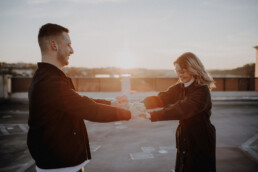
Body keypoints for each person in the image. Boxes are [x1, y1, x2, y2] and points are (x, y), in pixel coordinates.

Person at [27, 23, 131, 172]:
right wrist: (130, 113)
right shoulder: (49, 82)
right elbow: (88, 109)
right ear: (53, 45)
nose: (72, 50)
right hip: (59, 167)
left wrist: (112, 103)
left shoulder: (49, 78)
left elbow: (77, 101)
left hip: (63, 165)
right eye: (68, 45)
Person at [142, 52, 216, 172]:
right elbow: (162, 98)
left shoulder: (202, 91)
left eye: (182, 71)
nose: (180, 75)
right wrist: (141, 105)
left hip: (200, 139)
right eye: (177, 72)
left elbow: (182, 109)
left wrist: (152, 114)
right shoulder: (180, 87)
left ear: (193, 69)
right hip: (184, 138)